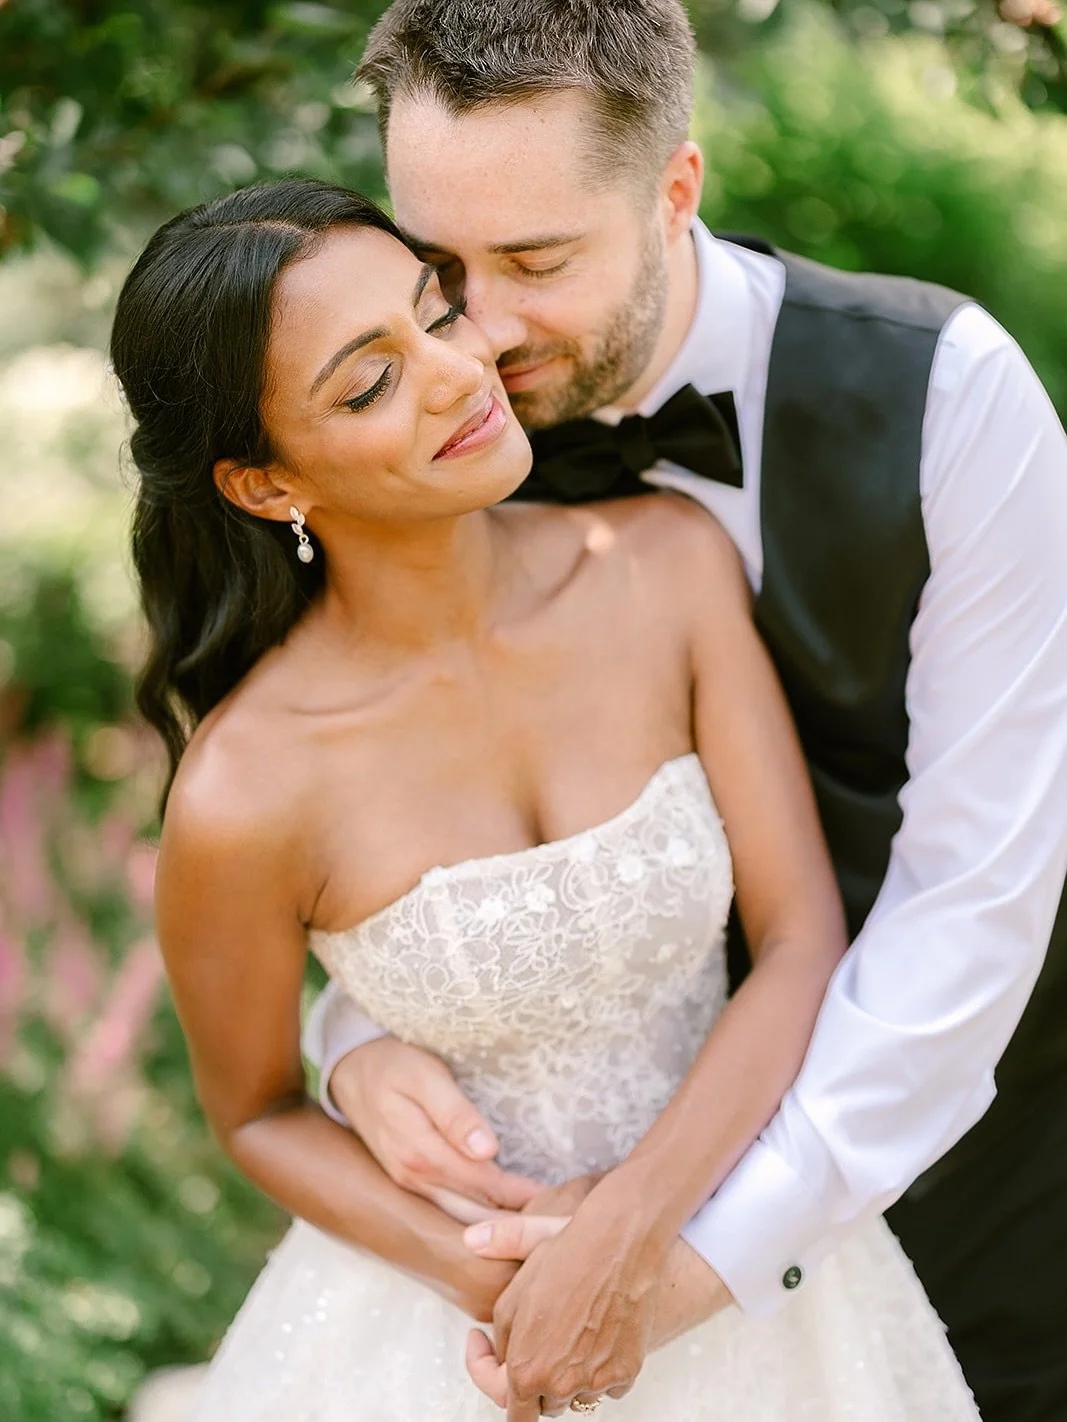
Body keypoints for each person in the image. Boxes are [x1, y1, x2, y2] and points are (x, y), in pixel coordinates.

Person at [111, 176, 980, 1421]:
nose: (460, 373)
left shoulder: (666, 565)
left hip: (746, 1261)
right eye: (367, 382)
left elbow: (797, 945)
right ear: (262, 485)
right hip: (446, 1341)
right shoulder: (246, 789)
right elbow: (253, 1114)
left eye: (436, 314)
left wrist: (631, 1231)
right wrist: (488, 1276)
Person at [304, 2, 1067, 1419]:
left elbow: (978, 892)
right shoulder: (410, 445)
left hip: (983, 1207)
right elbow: (343, 796)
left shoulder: (954, 399)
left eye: (536, 261)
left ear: (673, 192)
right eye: (437, 268)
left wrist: (696, 1253)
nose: (478, 330)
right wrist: (355, 1043)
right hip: (540, 1249)